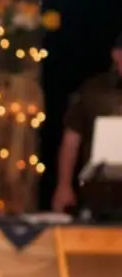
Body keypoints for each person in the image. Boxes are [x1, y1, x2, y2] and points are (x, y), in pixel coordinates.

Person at [52, 33, 122, 212]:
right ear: (116, 55)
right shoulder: (93, 91)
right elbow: (71, 140)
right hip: (101, 196)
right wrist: (64, 186)